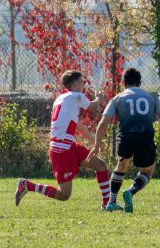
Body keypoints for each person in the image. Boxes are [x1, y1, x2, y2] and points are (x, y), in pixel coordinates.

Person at [14, 70, 111, 209]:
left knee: (100, 165)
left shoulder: (62, 98)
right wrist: (99, 98)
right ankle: (27, 185)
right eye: (82, 81)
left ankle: (107, 204)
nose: (84, 84)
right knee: (64, 194)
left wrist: (95, 141)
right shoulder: (76, 96)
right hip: (61, 151)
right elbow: (93, 106)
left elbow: (77, 124)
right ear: (75, 84)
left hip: (68, 146)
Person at [89, 67, 160, 213]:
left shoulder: (117, 98)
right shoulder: (151, 97)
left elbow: (103, 123)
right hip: (145, 137)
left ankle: (111, 202)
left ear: (123, 82)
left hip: (125, 138)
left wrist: (96, 145)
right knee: (148, 171)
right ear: (140, 82)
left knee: (121, 166)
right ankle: (130, 191)